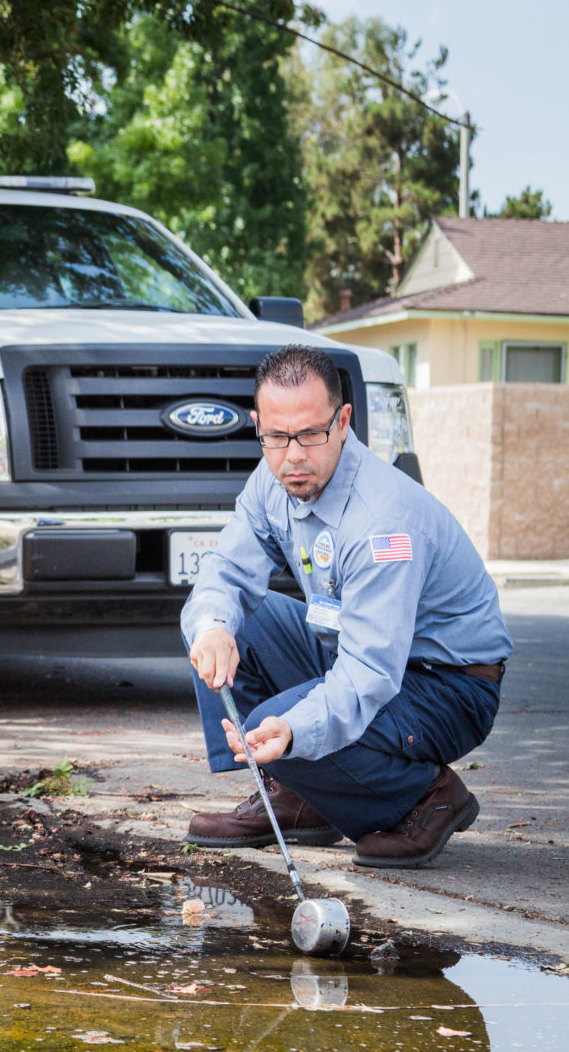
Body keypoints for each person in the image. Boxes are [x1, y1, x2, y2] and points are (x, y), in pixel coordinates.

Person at [180, 344, 511, 869]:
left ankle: (428, 793)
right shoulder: (272, 480)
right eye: (276, 436)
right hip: (353, 650)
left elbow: (369, 673)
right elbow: (225, 572)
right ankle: (296, 794)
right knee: (225, 623)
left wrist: (293, 732)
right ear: (258, 425)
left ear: (343, 421)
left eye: (311, 433)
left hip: (446, 684)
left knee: (278, 722)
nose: (293, 456)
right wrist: (214, 626)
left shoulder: (383, 520)